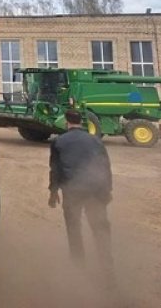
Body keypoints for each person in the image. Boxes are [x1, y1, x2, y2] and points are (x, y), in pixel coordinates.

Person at [48, 109, 113, 272]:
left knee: (73, 227)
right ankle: (107, 264)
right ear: (81, 122)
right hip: (96, 188)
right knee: (100, 227)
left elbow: (55, 169)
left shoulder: (58, 142)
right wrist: (107, 190)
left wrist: (53, 191)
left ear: (66, 122)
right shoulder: (96, 140)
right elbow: (105, 165)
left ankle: (79, 266)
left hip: (73, 190)